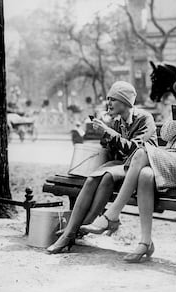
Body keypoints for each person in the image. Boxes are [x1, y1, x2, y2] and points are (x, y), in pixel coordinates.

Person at [80, 65, 176, 262]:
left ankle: (111, 214)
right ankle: (145, 241)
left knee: (141, 153)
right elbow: (164, 135)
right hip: (172, 163)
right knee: (145, 174)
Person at [47, 81, 157, 254]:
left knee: (106, 176)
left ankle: (73, 232)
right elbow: (113, 153)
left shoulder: (144, 118)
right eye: (109, 99)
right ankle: (72, 231)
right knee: (92, 178)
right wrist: (105, 134)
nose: (109, 103)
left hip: (142, 166)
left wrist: (108, 132)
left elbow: (135, 150)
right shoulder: (117, 122)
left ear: (125, 102)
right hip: (122, 166)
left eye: (113, 99)